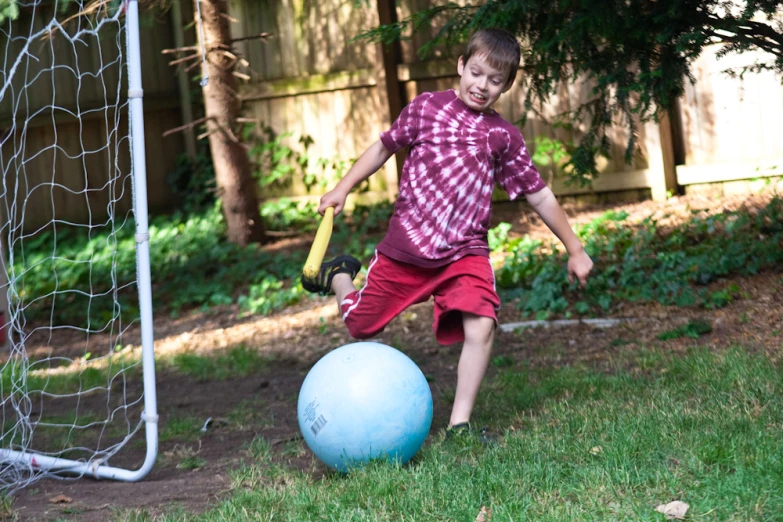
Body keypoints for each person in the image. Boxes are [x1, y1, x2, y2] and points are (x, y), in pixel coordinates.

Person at [302, 28, 593, 439]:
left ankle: (460, 424)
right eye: (476, 73)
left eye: (495, 80)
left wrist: (575, 248)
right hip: (406, 251)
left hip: (464, 254)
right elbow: (384, 147)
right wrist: (342, 188)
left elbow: (539, 195)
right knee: (360, 327)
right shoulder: (425, 108)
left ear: (506, 86)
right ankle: (340, 277)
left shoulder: (503, 137)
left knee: (481, 325)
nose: (482, 86)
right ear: (461, 65)